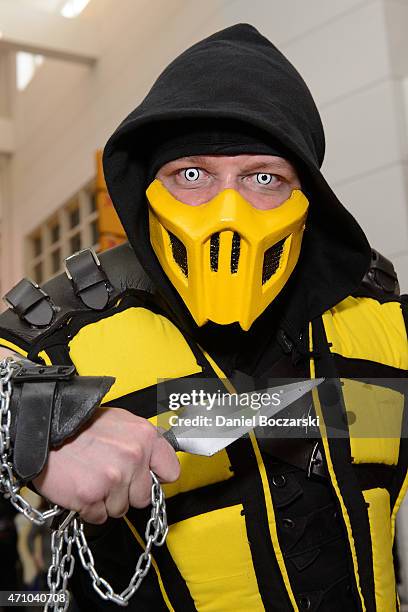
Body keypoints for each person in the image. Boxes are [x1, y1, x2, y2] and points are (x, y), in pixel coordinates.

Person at [0, 23, 406, 612]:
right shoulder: (67, 330)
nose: (227, 210)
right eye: (192, 174)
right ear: (147, 189)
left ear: (307, 197)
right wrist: (30, 420)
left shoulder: (384, 322)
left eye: (264, 177)